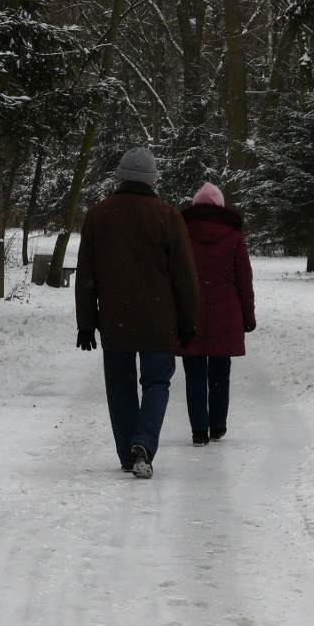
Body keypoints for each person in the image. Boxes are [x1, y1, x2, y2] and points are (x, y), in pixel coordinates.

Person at [75, 147, 199, 479]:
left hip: (115, 320)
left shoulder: (98, 215)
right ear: (152, 180)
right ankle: (144, 441)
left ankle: (128, 455)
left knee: (120, 387)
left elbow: (87, 273)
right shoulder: (168, 216)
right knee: (157, 383)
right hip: (158, 320)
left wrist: (86, 324)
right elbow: (184, 274)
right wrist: (188, 321)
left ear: (119, 177)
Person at [175, 182, 255, 446]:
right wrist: (248, 315)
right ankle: (217, 425)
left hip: (190, 311)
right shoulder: (233, 236)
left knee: (194, 373)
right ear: (220, 207)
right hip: (227, 313)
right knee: (220, 372)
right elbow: (244, 279)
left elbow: (173, 275)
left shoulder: (182, 233)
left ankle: (199, 428)